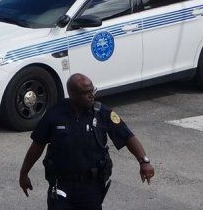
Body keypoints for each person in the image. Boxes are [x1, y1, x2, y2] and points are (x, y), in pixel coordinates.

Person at [18, 73, 154, 210]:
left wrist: (144, 161)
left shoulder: (102, 113)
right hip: (61, 183)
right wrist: (24, 174)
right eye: (86, 93)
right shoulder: (54, 114)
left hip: (92, 186)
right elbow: (37, 146)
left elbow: (127, 136)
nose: (91, 96)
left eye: (92, 91)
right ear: (72, 95)